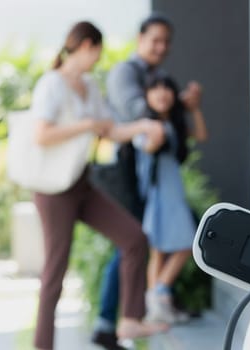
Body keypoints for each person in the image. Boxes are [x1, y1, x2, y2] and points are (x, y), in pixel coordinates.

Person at [29, 21, 167, 350]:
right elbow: (41, 135)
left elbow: (111, 130)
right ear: (87, 45)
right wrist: (86, 125)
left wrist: (144, 126)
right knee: (55, 272)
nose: (99, 59)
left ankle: (131, 320)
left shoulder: (90, 86)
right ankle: (42, 345)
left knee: (134, 238)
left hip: (81, 185)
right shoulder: (51, 84)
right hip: (53, 192)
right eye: (98, 51)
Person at [91, 13, 207, 349]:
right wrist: (173, 105)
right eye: (155, 40)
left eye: (166, 41)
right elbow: (136, 113)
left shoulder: (159, 76)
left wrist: (183, 107)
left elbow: (178, 124)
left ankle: (139, 311)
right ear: (140, 39)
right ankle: (116, 318)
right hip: (127, 170)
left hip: (145, 172)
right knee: (131, 241)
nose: (161, 47)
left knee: (138, 242)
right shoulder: (126, 72)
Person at [137, 75, 207, 322]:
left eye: (166, 89)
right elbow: (147, 146)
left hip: (170, 191)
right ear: (146, 95)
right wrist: (154, 133)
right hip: (159, 192)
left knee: (166, 248)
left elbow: (200, 135)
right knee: (173, 246)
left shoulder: (172, 124)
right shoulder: (146, 124)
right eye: (155, 89)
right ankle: (159, 297)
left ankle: (157, 302)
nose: (161, 94)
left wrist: (193, 108)